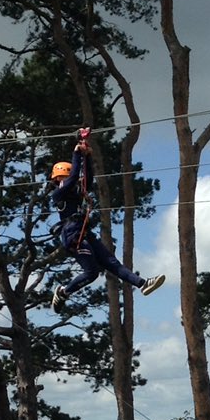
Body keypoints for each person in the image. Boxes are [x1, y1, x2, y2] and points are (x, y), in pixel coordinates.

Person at [49, 133, 164, 311]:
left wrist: (87, 156)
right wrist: (77, 153)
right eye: (64, 177)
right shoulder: (58, 193)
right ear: (57, 179)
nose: (69, 179)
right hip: (73, 236)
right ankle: (63, 292)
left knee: (112, 263)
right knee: (91, 273)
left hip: (83, 233)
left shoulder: (74, 192)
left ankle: (142, 284)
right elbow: (72, 179)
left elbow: (87, 178)